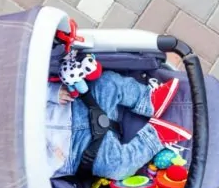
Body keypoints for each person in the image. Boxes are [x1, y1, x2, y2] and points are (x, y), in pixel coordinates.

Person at [46, 70, 192, 180]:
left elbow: (27, 91)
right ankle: (155, 137)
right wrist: (51, 159)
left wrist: (52, 92)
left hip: (77, 106)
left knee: (106, 82)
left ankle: (149, 100)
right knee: (117, 168)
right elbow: (30, 178)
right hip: (77, 151)